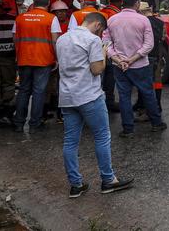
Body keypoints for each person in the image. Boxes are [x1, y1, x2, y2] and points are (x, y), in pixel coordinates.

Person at [56, 12, 133, 198]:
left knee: (70, 141)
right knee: (102, 136)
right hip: (89, 95)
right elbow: (97, 69)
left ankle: (76, 185)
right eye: (102, 31)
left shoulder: (62, 39)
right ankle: (108, 180)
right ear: (98, 25)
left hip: (67, 96)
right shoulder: (93, 40)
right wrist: (104, 52)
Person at [104, 0, 167, 137]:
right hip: (140, 65)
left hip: (119, 66)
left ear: (122, 3)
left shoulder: (112, 20)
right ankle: (156, 123)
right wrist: (132, 59)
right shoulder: (143, 20)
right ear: (137, 3)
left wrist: (118, 60)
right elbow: (149, 45)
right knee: (148, 93)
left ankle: (128, 129)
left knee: (124, 96)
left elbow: (107, 43)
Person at [13, 0, 63, 133]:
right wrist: (57, 58)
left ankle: (19, 123)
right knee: (39, 91)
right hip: (43, 60)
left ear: (33, 2)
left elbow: (14, 39)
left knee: (23, 90)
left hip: (24, 59)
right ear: (48, 3)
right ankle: (35, 124)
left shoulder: (20, 18)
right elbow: (55, 40)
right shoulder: (51, 18)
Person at [135, 1, 165, 113]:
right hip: (157, 54)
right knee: (156, 81)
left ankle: (147, 109)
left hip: (144, 56)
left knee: (144, 83)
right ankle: (157, 105)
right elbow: (162, 38)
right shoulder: (160, 22)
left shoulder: (142, 22)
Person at [100, 0, 123, 112]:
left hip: (98, 47)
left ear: (109, 0)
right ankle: (108, 102)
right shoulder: (116, 14)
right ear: (121, 1)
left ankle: (101, 102)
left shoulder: (102, 12)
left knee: (99, 78)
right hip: (110, 49)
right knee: (110, 78)